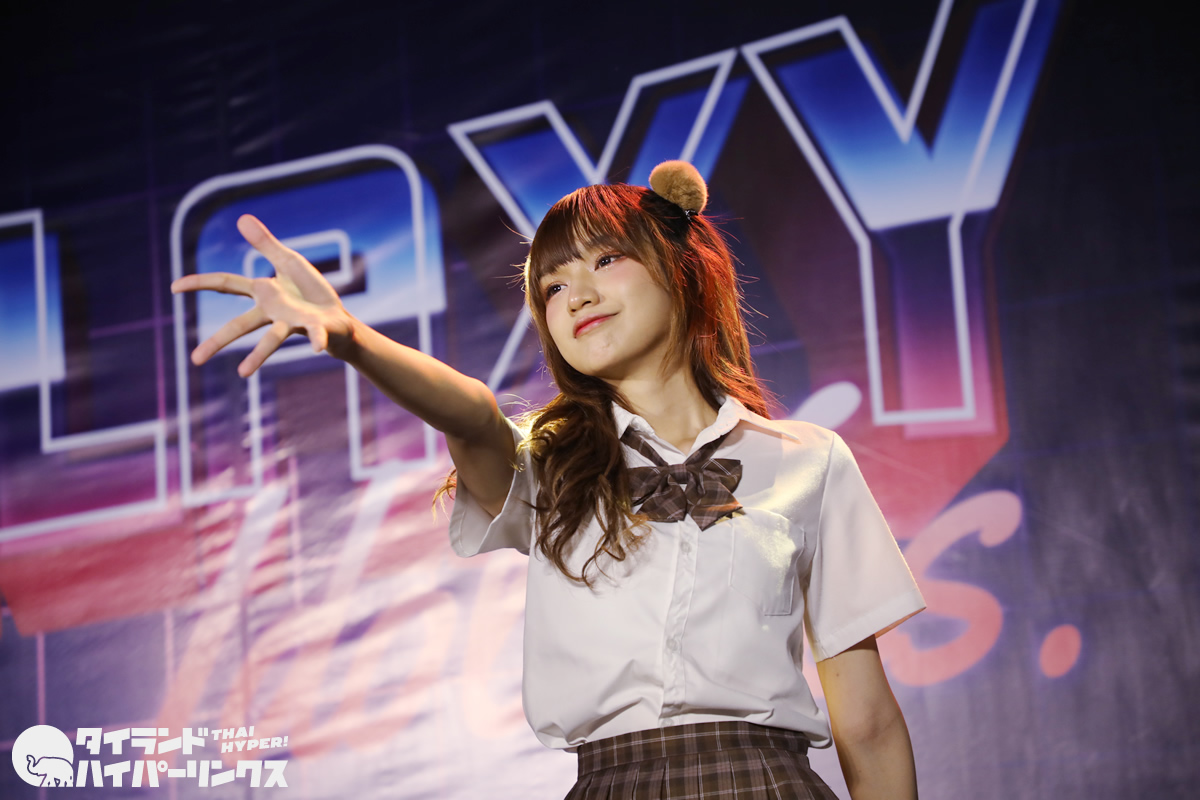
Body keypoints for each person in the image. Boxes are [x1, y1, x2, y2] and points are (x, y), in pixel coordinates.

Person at [172, 161, 925, 800]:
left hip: (768, 781)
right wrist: (353, 339)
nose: (578, 296)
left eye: (606, 260)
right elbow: (473, 414)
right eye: (553, 287)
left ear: (683, 269)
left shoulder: (808, 460)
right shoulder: (546, 457)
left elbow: (866, 721)